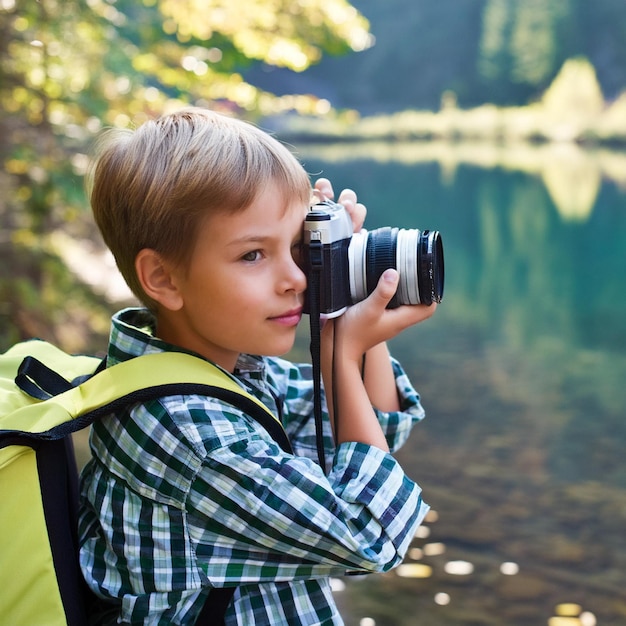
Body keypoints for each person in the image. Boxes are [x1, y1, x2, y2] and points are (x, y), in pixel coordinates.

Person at [78, 107, 437, 625]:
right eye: (253, 255)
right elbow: (369, 532)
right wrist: (340, 353)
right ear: (164, 278)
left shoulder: (218, 373)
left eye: (297, 247)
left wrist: (346, 295)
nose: (294, 278)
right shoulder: (195, 437)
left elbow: (370, 434)